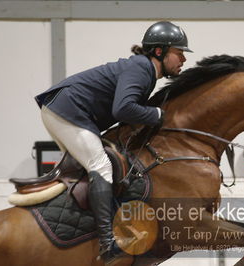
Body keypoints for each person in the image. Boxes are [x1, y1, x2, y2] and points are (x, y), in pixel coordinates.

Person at [34, 21, 192, 265]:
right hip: (67, 110)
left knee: (94, 169)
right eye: (179, 52)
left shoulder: (145, 71)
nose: (183, 59)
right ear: (159, 51)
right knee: (101, 165)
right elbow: (123, 108)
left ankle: (84, 229)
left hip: (65, 109)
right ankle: (108, 243)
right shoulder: (141, 68)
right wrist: (158, 115)